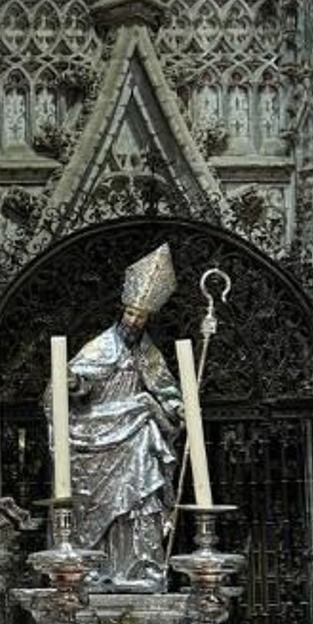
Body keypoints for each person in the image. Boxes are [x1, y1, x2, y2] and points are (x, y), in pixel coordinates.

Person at [52, 244, 183, 590]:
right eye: (130, 314)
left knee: (141, 499)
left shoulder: (149, 355)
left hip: (136, 436)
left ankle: (141, 568)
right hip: (96, 437)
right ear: (121, 311)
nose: (134, 321)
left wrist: (177, 408)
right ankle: (97, 567)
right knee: (97, 508)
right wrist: (73, 382)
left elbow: (166, 391)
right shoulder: (99, 347)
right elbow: (73, 383)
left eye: (141, 316)